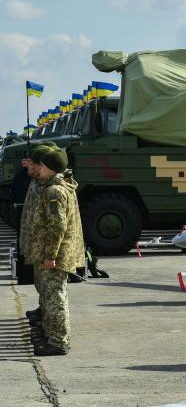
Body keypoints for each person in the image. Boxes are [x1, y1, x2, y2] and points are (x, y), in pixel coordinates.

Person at [29, 147, 85, 356]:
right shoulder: (57, 187)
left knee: (55, 299)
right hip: (54, 254)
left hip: (55, 256)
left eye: (42, 166)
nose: (39, 169)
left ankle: (59, 341)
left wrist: (50, 256)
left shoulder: (54, 191)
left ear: (51, 169)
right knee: (51, 297)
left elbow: (57, 226)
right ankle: (54, 337)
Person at [20, 144, 54, 337]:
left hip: (46, 248)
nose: (27, 165)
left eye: (32, 162)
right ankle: (45, 321)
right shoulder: (40, 182)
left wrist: (49, 253)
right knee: (43, 288)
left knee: (52, 294)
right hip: (38, 244)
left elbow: (55, 224)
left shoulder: (51, 188)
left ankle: (54, 335)